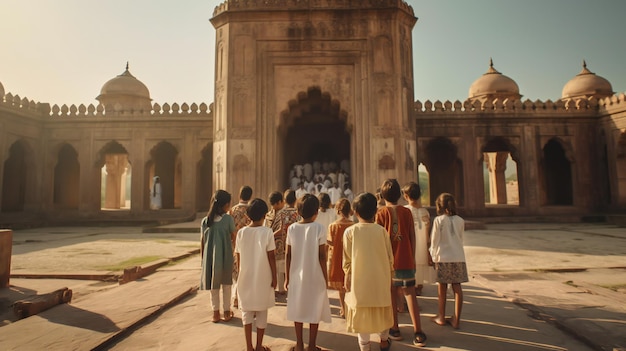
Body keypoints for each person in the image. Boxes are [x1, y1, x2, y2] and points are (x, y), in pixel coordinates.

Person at [375, 179, 427, 347]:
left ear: (382, 196)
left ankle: (395, 329)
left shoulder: (381, 214)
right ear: (400, 195)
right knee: (410, 294)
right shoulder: (406, 213)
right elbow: (412, 236)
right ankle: (418, 332)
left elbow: (379, 240)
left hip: (389, 263)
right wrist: (411, 256)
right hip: (406, 259)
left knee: (392, 295)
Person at [343, 193, 394, 351]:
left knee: (362, 316)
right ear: (375, 212)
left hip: (359, 282)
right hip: (380, 279)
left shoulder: (350, 232)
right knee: (382, 310)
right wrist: (390, 276)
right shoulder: (381, 231)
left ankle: (365, 347)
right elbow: (389, 258)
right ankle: (384, 342)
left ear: (355, 212)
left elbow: (347, 260)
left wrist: (347, 276)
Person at [285, 194, 332, 351]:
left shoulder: (292, 228)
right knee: (314, 309)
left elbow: (288, 255)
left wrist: (287, 277)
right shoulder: (319, 228)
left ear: (298, 211)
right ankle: (311, 345)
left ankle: (299, 344)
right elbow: (322, 256)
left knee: (297, 308)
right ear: (316, 212)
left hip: (296, 276)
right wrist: (325, 277)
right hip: (315, 275)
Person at [235, 198, 277, 351]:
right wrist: (275, 277)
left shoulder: (241, 233)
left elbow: (238, 257)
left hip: (245, 277)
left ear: (248, 215)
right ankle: (259, 345)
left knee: (246, 313)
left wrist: (241, 275)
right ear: (265, 215)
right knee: (261, 312)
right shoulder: (267, 232)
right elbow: (271, 257)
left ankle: (249, 347)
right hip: (263, 277)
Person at [430, 193, 468, 330]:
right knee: (457, 287)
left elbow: (434, 241)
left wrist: (433, 257)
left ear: (439, 206)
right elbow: (461, 239)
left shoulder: (438, 220)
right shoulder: (460, 220)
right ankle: (456, 319)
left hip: (443, 258)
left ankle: (441, 316)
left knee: (442, 287)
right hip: (458, 257)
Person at [200, 190, 236, 323]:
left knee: (213, 286)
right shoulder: (228, 220)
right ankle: (226, 312)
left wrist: (203, 260)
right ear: (226, 205)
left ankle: (215, 313)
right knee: (227, 284)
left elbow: (202, 242)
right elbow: (234, 237)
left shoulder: (205, 221)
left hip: (210, 258)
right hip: (225, 255)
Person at [402, 182, 435, 296]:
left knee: (412, 267)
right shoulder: (425, 212)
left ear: (406, 196)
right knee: (421, 263)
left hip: (410, 245)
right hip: (422, 245)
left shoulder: (404, 210)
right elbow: (427, 232)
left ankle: (413, 289)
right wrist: (428, 248)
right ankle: (419, 287)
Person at [326, 198, 354, 318]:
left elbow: (329, 244)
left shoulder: (333, 226)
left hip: (338, 258)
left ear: (337, 211)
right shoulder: (354, 225)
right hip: (351, 258)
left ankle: (343, 309)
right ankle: (349, 309)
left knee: (341, 288)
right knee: (350, 287)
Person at [229, 185, 254, 308]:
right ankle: (245, 298)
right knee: (246, 272)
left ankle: (236, 297)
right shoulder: (251, 210)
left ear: (239, 195)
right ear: (250, 196)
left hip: (234, 244)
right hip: (248, 245)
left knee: (236, 272)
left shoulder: (232, 210)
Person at [265, 191, 287, 295]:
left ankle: (275, 288)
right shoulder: (283, 214)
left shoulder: (268, 215)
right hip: (281, 245)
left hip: (270, 244)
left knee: (273, 266)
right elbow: (283, 229)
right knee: (281, 267)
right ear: (279, 202)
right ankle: (281, 289)